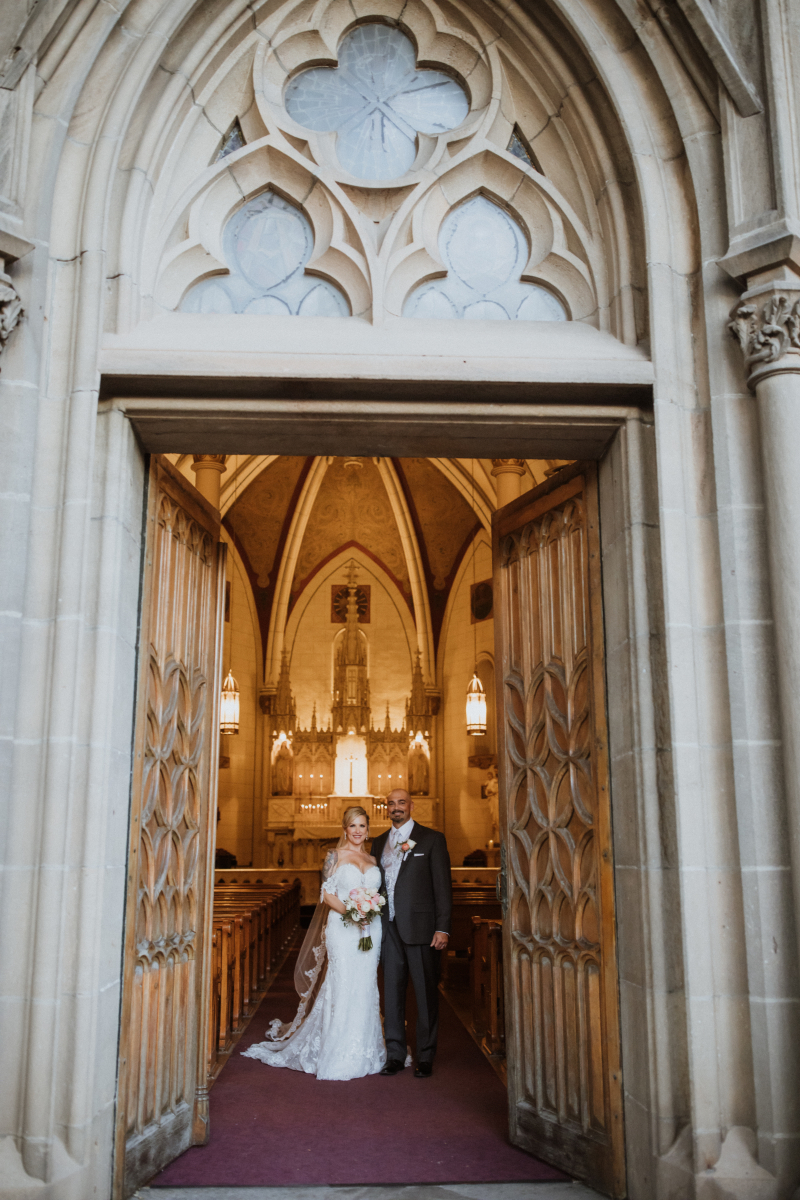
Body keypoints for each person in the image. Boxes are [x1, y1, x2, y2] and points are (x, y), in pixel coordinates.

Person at [241, 806, 385, 1080]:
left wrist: (369, 913)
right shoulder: (333, 856)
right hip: (344, 928)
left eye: (362, 826)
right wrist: (354, 913)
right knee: (342, 983)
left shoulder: (373, 859)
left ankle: (365, 1048)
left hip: (370, 930)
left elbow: (376, 893)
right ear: (345, 829)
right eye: (352, 826)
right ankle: (336, 1050)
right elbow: (326, 894)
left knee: (365, 984)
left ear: (368, 829)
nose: (357, 831)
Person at [371, 789, 452, 1078]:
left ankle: (425, 1056)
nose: (396, 808)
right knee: (391, 993)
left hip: (421, 929)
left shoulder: (431, 838)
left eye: (401, 803)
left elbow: (442, 886)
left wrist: (442, 927)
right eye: (391, 804)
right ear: (387, 809)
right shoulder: (379, 842)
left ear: (411, 806)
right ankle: (395, 1053)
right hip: (387, 929)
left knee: (425, 993)